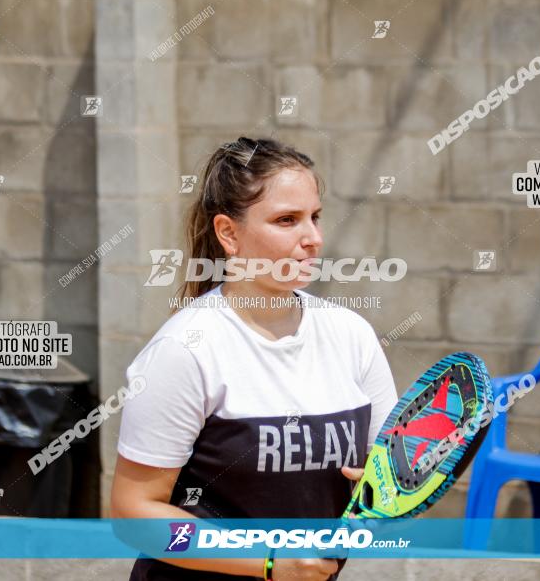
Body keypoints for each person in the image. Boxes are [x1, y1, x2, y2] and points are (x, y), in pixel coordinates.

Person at [110, 137, 398, 580]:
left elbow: (388, 483)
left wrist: (381, 497)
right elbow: (135, 514)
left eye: (315, 217)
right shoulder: (184, 351)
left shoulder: (352, 336)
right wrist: (266, 562)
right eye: (287, 220)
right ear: (229, 233)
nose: (313, 239)